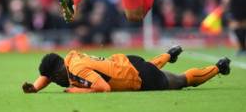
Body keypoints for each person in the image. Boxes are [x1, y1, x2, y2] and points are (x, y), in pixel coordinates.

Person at [22, 45, 231, 93]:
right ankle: (169, 54)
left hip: (139, 77)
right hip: (126, 61)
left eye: (53, 80)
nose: (54, 82)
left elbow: (104, 88)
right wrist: (35, 88)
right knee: (151, 65)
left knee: (180, 81)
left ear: (59, 73)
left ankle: (218, 67)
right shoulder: (69, 59)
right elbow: (49, 75)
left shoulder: (77, 71)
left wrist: (74, 90)